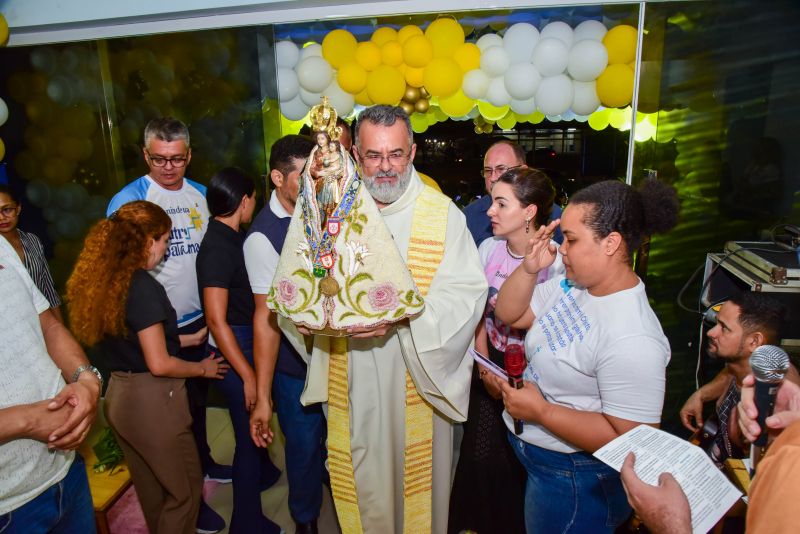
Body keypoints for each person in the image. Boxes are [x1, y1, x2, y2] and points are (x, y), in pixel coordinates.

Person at [278, 105, 487, 533]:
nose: (386, 167)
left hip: (420, 376)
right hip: (351, 373)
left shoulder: (441, 214)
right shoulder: (328, 210)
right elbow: (303, 279)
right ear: (354, 153)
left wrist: (401, 321)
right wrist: (309, 316)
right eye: (373, 155)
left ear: (413, 152)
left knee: (419, 495)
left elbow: (466, 295)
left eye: (396, 154)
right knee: (363, 478)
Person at [488, 178, 679, 533]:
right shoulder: (575, 285)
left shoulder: (632, 336)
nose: (562, 249)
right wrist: (529, 268)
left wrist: (541, 411)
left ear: (611, 244)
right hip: (543, 464)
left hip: (576, 481)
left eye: (572, 240)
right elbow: (510, 314)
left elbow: (630, 439)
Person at [67, 200, 228, 534]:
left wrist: (187, 339)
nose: (166, 249)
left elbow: (136, 342)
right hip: (153, 403)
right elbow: (159, 363)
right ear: (146, 240)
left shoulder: (109, 283)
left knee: (152, 492)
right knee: (183, 493)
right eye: (165, 240)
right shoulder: (141, 286)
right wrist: (203, 370)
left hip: (121, 397)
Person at [106, 117, 229, 533]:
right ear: (145, 155)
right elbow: (115, 270)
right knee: (175, 419)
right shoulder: (128, 200)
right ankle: (191, 500)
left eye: (177, 159)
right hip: (154, 325)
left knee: (195, 408)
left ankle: (205, 468)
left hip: (201, 319)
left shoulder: (202, 196)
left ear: (189, 156)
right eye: (159, 159)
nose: (168, 167)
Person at [449, 167, 564, 534]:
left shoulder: (556, 263)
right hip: (487, 364)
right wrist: (484, 368)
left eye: (501, 203)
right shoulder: (488, 249)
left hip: (531, 375)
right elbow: (475, 311)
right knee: (479, 455)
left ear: (529, 212)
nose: (490, 211)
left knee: (517, 460)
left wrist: (514, 378)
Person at [246, 135, 326, 534]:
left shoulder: (327, 211)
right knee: (303, 447)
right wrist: (263, 396)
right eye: (305, 177)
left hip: (338, 355)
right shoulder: (262, 237)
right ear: (278, 178)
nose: (316, 183)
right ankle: (305, 518)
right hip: (296, 367)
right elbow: (266, 319)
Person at [196, 168, 281, 534]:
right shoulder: (216, 246)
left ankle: (263, 476)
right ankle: (246, 523)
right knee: (248, 438)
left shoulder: (231, 235)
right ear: (243, 201)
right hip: (237, 351)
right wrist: (248, 375)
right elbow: (217, 322)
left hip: (244, 344)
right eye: (253, 201)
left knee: (253, 433)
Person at [0, 237, 99, 533]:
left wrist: (86, 379)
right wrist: (27, 421)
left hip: (65, 470)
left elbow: (48, 324)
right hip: (9, 510)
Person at [679, 291, 797, 467]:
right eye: (716, 323)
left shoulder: (775, 398)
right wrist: (701, 395)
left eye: (724, 328)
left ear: (754, 341)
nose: (711, 332)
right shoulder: (744, 363)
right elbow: (730, 371)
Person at [463, 139, 563, 246]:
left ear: (523, 171)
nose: (493, 178)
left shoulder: (554, 215)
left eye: (501, 169)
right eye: (488, 171)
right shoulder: (469, 217)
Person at [0, 184, 62, 320]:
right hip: (13, 329)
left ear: (18, 209)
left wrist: (60, 329)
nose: (1, 217)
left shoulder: (32, 240)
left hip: (45, 323)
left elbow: (48, 289)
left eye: (7, 210)